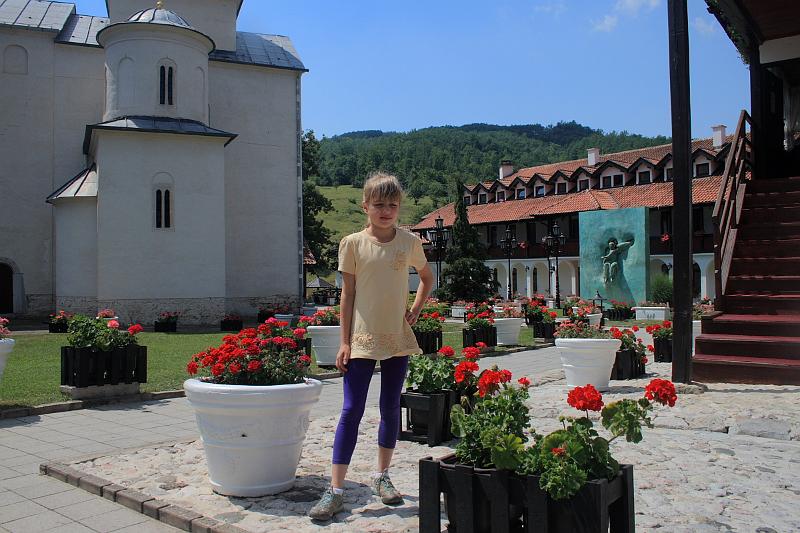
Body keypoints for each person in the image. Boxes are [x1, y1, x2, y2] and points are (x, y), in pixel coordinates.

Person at [308, 172, 434, 521]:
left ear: (399, 208)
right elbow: (346, 296)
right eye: (378, 204)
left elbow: (427, 278)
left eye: (392, 205)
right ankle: (335, 490)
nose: (386, 211)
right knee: (351, 411)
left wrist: (415, 310)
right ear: (365, 205)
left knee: (391, 407)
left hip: (395, 337)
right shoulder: (352, 243)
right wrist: (344, 341)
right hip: (361, 341)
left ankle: (382, 475)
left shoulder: (409, 242)